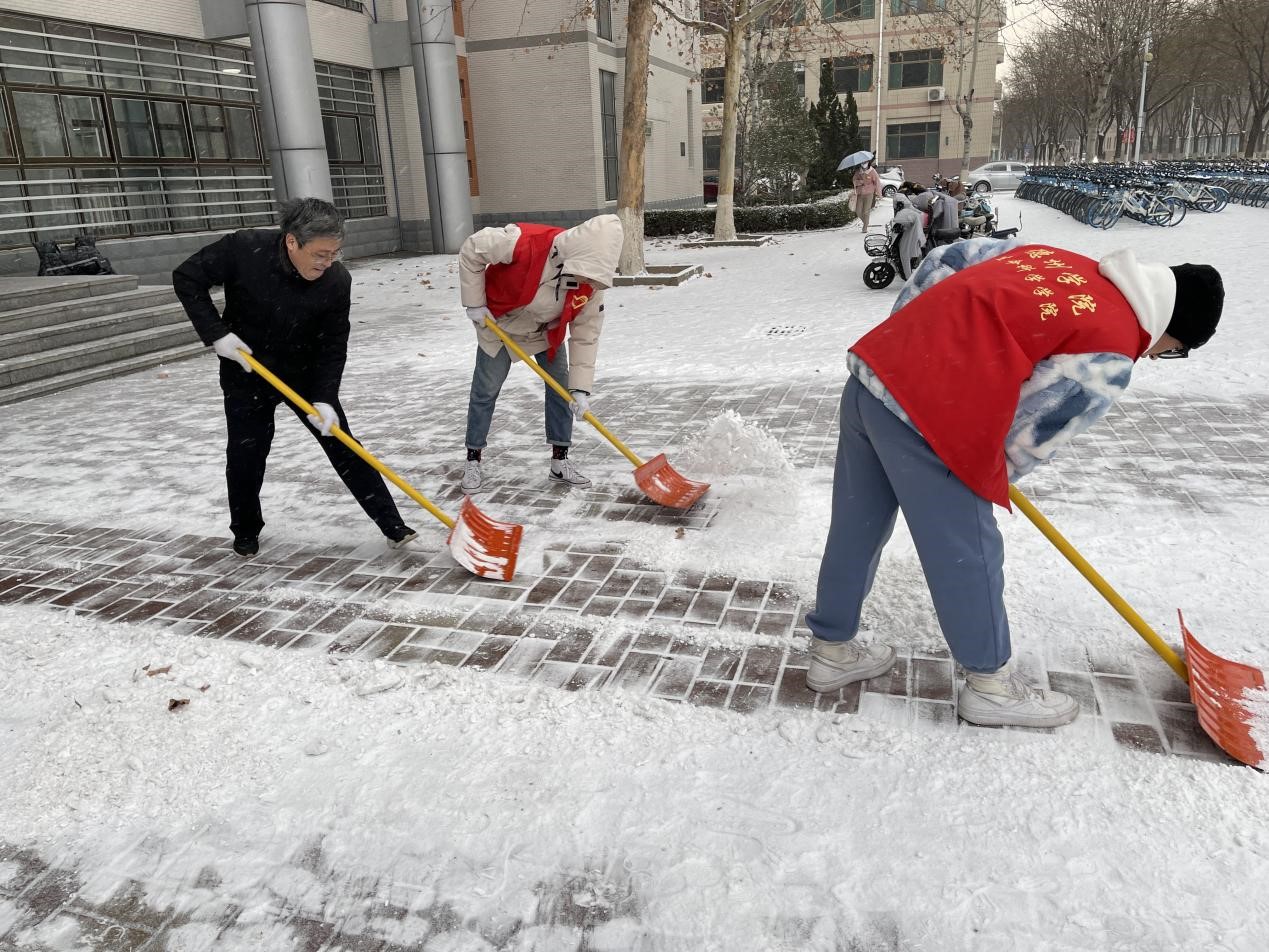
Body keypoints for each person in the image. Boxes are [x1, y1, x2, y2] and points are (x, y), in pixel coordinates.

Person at [805, 238, 1225, 728]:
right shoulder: (1110, 346)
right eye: (1174, 350)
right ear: (1172, 327)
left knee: (857, 523)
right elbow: (1034, 430)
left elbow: (947, 260)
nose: (1157, 357)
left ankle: (831, 650)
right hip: (932, 422)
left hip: (871, 379)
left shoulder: (1057, 259)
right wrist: (980, 474)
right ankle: (991, 687)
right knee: (969, 553)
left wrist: (909, 345)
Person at [173, 197, 417, 557]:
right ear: (291, 241)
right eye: (320, 254)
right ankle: (245, 529)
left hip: (303, 372)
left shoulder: (336, 281)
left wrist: (326, 396)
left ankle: (392, 525)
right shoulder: (244, 249)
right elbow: (187, 277)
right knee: (247, 453)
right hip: (247, 367)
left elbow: (334, 342)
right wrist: (217, 334)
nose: (327, 261)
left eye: (334, 252)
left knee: (343, 444)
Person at [457, 214, 623, 493]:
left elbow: (586, 335)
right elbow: (472, 248)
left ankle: (560, 461)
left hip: (545, 333)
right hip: (500, 325)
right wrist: (474, 303)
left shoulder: (591, 284)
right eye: (588, 272)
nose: (590, 281)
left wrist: (581, 390)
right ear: (579, 256)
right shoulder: (523, 242)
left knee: (562, 391)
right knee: (485, 392)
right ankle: (473, 459)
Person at [888, 194, 926, 281]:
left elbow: (906, 220)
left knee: (905, 255)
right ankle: (908, 274)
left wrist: (901, 225)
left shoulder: (909, 212)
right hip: (911, 235)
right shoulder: (909, 210)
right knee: (908, 254)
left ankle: (908, 277)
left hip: (910, 237)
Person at [851, 158, 883, 234]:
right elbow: (854, 181)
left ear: (868, 162)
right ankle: (866, 222)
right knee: (858, 211)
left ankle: (865, 226)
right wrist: (860, 182)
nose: (864, 163)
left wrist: (879, 194)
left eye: (865, 162)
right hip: (860, 194)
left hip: (869, 193)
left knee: (866, 211)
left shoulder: (872, 171)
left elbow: (877, 183)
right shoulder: (858, 171)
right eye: (862, 162)